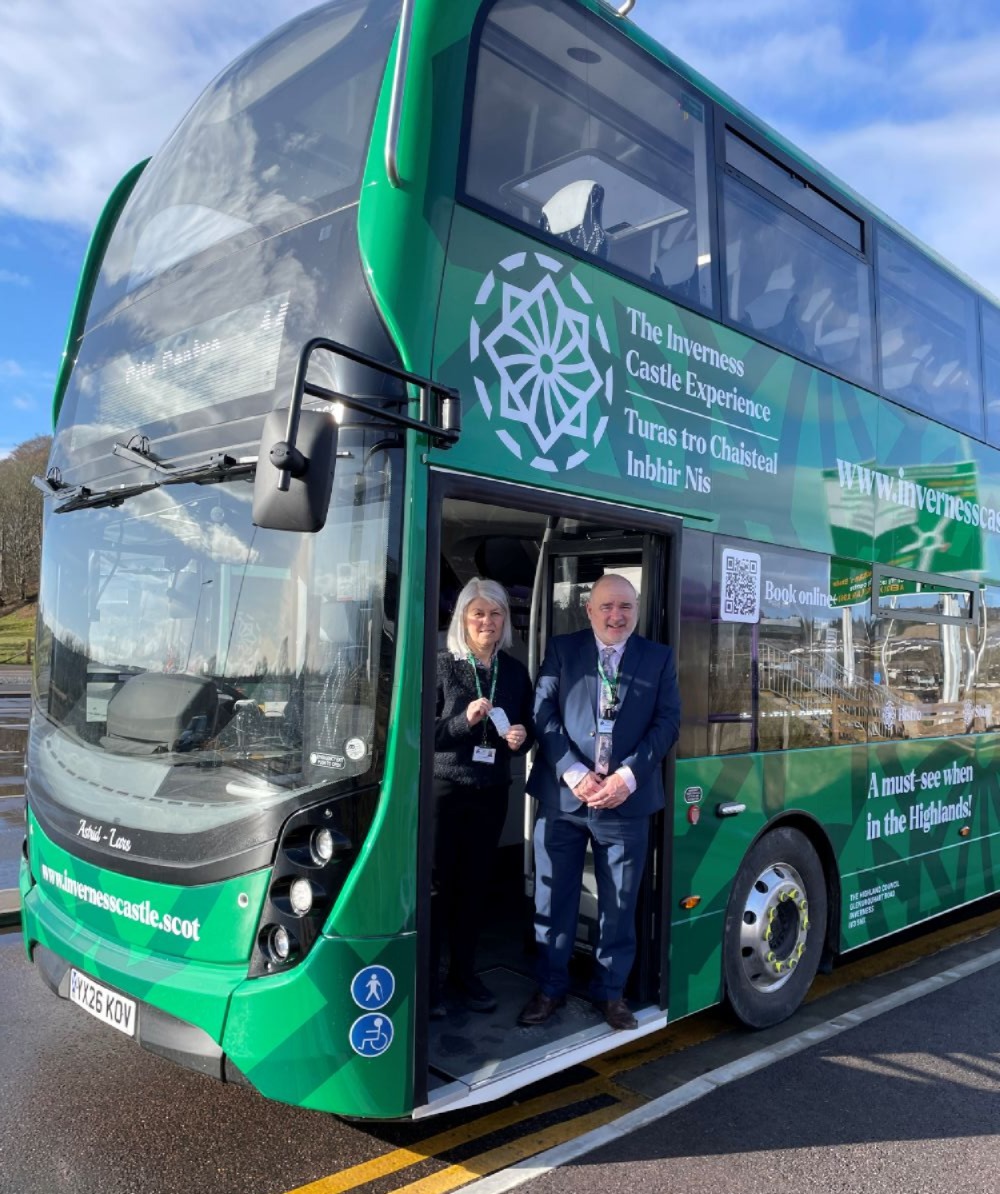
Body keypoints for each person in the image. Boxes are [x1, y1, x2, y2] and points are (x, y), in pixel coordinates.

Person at [518, 573, 680, 1031]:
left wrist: (628, 777)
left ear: (637, 611)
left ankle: (611, 994)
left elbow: (668, 722)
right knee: (554, 899)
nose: (616, 615)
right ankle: (550, 989)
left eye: (625, 607)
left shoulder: (658, 658)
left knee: (620, 904)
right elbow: (542, 714)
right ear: (589, 610)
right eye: (607, 606)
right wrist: (571, 771)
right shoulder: (563, 650)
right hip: (564, 799)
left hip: (625, 801)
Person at [432, 578, 534, 1016]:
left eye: (495, 614)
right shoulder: (442, 665)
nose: (487, 621)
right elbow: (424, 736)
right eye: (478, 613)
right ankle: (429, 980)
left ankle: (464, 974)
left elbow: (527, 726)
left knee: (475, 889)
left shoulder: (513, 671)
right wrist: (461, 721)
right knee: (437, 889)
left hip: (492, 792)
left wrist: (521, 737)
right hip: (445, 793)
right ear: (463, 619)